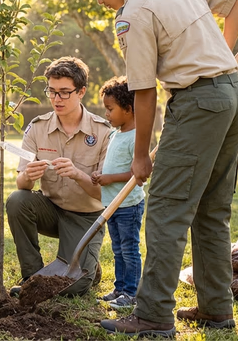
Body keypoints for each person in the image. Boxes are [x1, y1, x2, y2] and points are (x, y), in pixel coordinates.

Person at [76, 0, 238, 337]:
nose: (99, 1)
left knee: (167, 211)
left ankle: (153, 315)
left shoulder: (133, 13)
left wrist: (140, 156)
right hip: (233, 97)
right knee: (211, 209)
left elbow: (143, 90)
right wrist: (221, 56)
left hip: (199, 105)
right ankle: (216, 308)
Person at [6, 56, 111, 297]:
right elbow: (21, 184)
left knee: (75, 287)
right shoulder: (37, 128)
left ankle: (90, 267)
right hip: (50, 210)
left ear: (81, 91)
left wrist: (77, 174)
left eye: (64, 92)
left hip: (86, 217)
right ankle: (32, 277)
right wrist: (29, 176)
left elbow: (104, 194)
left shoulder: (103, 132)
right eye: (51, 92)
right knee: (17, 200)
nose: (56, 99)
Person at [91, 76, 144, 310]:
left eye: (110, 109)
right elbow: (113, 164)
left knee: (129, 249)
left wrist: (109, 178)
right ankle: (119, 288)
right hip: (112, 203)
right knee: (117, 249)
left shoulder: (136, 138)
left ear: (128, 109)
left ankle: (131, 293)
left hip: (128, 205)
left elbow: (136, 174)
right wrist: (101, 173)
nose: (107, 114)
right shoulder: (115, 134)